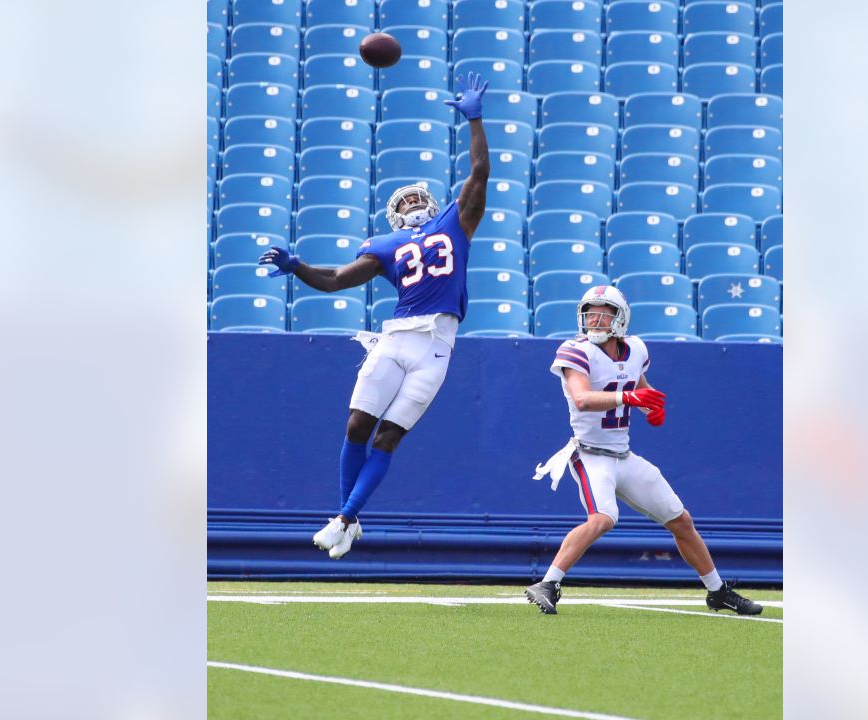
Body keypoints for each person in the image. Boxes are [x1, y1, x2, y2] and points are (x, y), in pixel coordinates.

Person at [257, 72, 491, 560]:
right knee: (357, 427)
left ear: (430, 202)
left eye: (416, 199)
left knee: (389, 436)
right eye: (402, 202)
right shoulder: (385, 246)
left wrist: (475, 121)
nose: (412, 205)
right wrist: (297, 266)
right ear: (392, 215)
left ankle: (344, 520)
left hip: (437, 346)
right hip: (397, 337)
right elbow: (338, 278)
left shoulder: (456, 220)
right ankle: (347, 517)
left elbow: (479, 175)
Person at [525, 286, 764, 615]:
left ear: (620, 318)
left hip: (623, 455)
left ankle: (717, 591)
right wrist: (629, 399)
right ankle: (548, 583)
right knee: (603, 518)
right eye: (589, 312)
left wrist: (651, 405)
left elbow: (637, 385)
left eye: (602, 313)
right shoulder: (575, 351)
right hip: (590, 454)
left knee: (681, 520)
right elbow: (582, 398)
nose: (594, 319)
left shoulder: (634, 349)